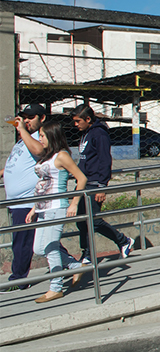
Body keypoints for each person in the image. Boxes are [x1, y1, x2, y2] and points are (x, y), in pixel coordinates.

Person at [26, 120, 87, 303]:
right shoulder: (47, 156)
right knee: (38, 248)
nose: (40, 139)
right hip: (43, 208)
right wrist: (34, 208)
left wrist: (74, 203)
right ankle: (76, 266)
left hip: (56, 207)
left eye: (43, 136)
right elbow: (42, 186)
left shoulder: (62, 156)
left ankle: (56, 288)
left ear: (51, 135)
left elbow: (81, 178)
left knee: (51, 247)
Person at [70, 104, 135, 265]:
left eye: (78, 121)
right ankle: (87, 252)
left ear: (88, 119)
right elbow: (86, 159)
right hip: (84, 183)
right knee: (81, 220)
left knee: (93, 220)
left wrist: (102, 185)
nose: (75, 124)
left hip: (94, 183)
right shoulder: (86, 134)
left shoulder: (99, 134)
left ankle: (123, 240)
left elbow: (105, 160)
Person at [2, 104, 53, 292]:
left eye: (31, 117)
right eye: (24, 117)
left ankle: (18, 279)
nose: (26, 121)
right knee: (40, 239)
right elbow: (20, 163)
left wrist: (23, 130)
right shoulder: (23, 139)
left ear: (42, 118)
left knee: (23, 242)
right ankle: (70, 264)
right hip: (15, 201)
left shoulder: (37, 138)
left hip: (26, 201)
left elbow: (40, 152)